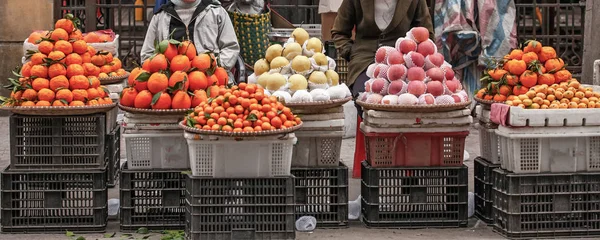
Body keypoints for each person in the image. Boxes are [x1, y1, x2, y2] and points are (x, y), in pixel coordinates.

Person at [331, 0, 434, 178]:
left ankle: (408, 165)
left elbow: (426, 31)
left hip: (403, 61)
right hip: (365, 58)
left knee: (412, 102)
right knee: (365, 98)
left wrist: (412, 56)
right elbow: (339, 31)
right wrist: (350, 53)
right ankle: (376, 160)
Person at [141, 0, 240, 75]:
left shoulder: (216, 12)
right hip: (170, 90)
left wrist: (213, 67)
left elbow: (230, 47)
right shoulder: (160, 17)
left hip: (213, 83)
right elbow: (147, 55)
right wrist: (163, 75)